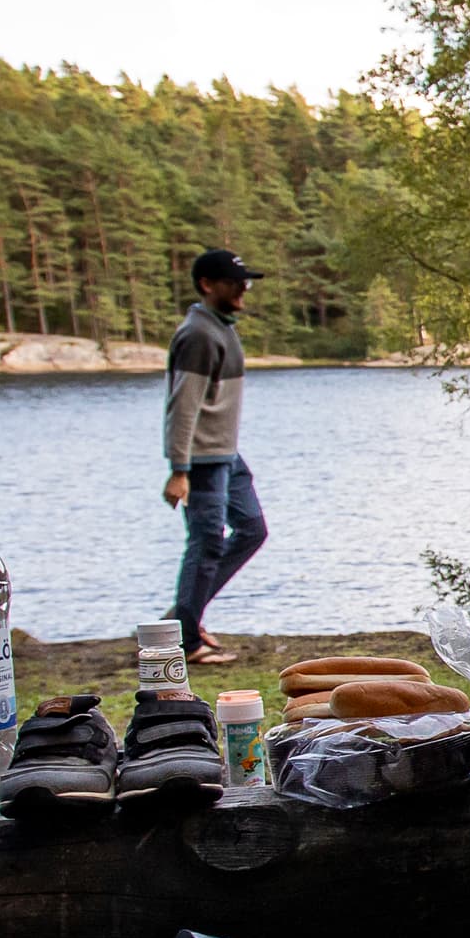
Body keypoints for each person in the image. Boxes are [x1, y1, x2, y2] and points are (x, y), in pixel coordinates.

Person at [163, 247, 266, 664]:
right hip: (202, 459)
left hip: (227, 454)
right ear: (208, 285)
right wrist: (179, 469)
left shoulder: (221, 328)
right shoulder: (199, 335)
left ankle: (184, 616)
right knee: (205, 543)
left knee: (252, 528)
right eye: (235, 282)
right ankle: (185, 641)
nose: (244, 288)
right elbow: (182, 406)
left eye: (245, 282)